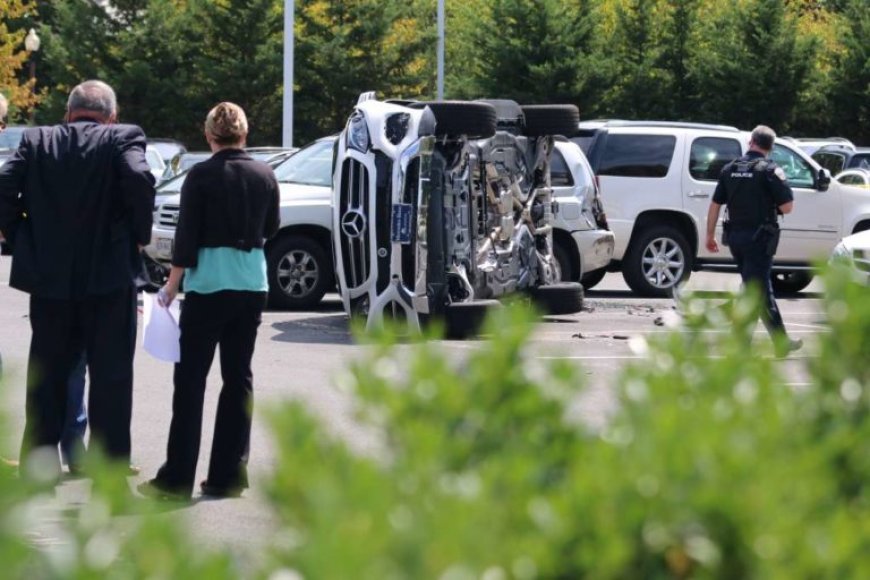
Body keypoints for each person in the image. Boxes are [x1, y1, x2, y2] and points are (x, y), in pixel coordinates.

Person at [0, 80, 155, 478]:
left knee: (47, 379)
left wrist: (20, 238)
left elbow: (4, 184)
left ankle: (38, 470)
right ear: (111, 116)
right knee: (111, 381)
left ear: (68, 113)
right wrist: (139, 235)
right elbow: (139, 179)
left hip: (51, 283)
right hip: (108, 281)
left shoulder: (38, 140)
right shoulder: (123, 138)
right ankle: (108, 474)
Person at [139, 102, 279, 501]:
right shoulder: (265, 174)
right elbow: (271, 227)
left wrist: (171, 284)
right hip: (252, 283)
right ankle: (228, 474)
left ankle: (177, 477)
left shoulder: (199, 176)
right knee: (238, 378)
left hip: (208, 286)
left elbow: (187, 237)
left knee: (191, 381)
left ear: (209, 135)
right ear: (244, 134)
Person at [705, 125, 803, 358]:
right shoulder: (770, 170)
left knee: (757, 289)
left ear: (751, 142)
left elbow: (715, 204)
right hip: (759, 239)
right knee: (757, 291)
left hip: (736, 239)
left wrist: (709, 235)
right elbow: (787, 208)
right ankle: (743, 345)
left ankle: (773, 342)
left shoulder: (730, 168)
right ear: (771, 147)